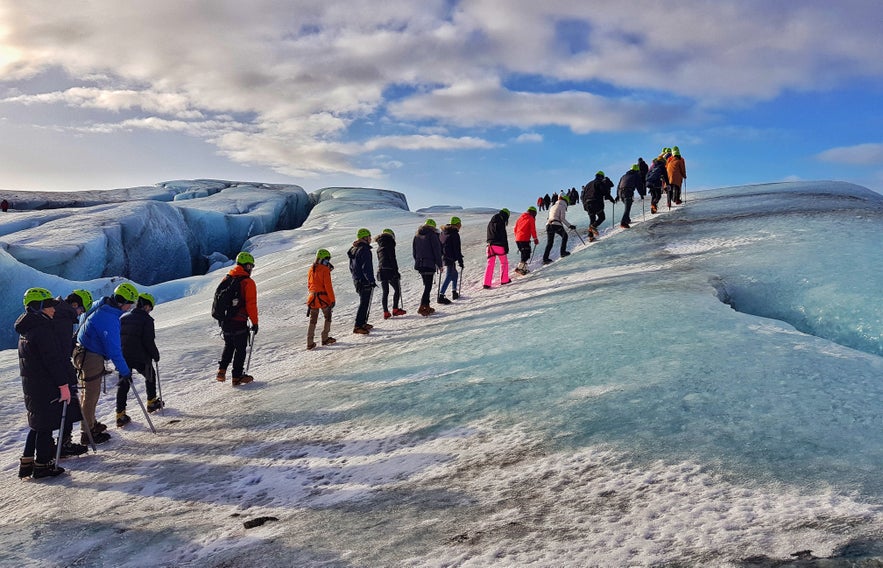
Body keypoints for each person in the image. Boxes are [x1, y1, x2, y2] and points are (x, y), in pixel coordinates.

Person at [74, 282, 137, 444]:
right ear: (122, 302)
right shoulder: (109, 318)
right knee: (90, 395)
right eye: (130, 303)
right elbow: (114, 350)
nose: (130, 307)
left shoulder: (102, 305)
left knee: (87, 394)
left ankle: (90, 424)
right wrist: (125, 371)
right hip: (90, 356)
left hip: (83, 352)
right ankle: (88, 433)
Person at [16, 288, 69, 479]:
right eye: (49, 306)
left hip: (33, 387)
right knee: (45, 425)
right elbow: (52, 360)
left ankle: (27, 462)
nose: (53, 310)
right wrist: (63, 385)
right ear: (38, 307)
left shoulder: (27, 328)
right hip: (44, 386)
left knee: (37, 424)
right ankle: (43, 465)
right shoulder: (42, 329)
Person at [49, 290, 92, 457]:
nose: (80, 313)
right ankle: (63, 444)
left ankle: (51, 447)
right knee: (67, 404)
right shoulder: (64, 318)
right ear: (75, 305)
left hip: (50, 369)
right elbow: (62, 351)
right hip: (59, 369)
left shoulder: (57, 312)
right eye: (81, 309)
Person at [116, 292, 162, 427]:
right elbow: (148, 341)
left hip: (123, 356)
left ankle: (120, 414)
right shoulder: (147, 320)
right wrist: (155, 354)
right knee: (150, 376)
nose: (150, 310)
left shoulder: (123, 318)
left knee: (123, 384)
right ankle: (152, 402)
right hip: (140, 356)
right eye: (150, 308)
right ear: (146, 306)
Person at [214, 252, 258, 386]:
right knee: (240, 348)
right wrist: (255, 322)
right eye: (250, 266)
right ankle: (237, 376)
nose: (251, 269)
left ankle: (221, 371)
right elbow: (251, 304)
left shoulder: (227, 279)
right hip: (239, 320)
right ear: (246, 266)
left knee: (229, 345)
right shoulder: (247, 282)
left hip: (225, 320)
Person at [306, 248, 336, 349]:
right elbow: (328, 286)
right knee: (328, 317)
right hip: (322, 298)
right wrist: (332, 300)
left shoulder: (311, 269)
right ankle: (325, 338)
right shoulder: (325, 269)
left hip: (312, 297)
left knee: (313, 320)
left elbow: (309, 285)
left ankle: (310, 342)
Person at [412, 219, 443, 316]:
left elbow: (414, 252)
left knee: (427, 285)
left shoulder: (416, 236)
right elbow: (436, 251)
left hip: (420, 264)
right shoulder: (432, 235)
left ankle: (427, 306)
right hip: (429, 263)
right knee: (428, 286)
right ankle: (422, 306)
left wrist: (418, 261)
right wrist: (440, 264)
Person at [348, 228, 376, 334]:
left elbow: (351, 267)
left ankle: (362, 322)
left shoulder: (354, 249)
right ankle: (358, 325)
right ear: (365, 237)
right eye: (369, 236)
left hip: (357, 279)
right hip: (364, 281)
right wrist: (371, 280)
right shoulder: (364, 250)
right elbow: (366, 267)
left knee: (364, 302)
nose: (370, 238)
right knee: (364, 303)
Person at [375, 229, 406, 319]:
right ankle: (395, 309)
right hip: (389, 270)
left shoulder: (379, 247)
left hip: (381, 271)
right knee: (397, 289)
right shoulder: (390, 244)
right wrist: (396, 272)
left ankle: (385, 312)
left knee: (385, 292)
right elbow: (392, 259)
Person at [581, 171, 615, 242]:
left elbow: (582, 196)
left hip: (587, 204)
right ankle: (593, 227)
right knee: (602, 217)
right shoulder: (599, 182)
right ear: (601, 177)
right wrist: (611, 199)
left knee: (592, 220)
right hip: (595, 202)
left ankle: (590, 237)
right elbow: (604, 192)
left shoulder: (588, 184)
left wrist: (585, 205)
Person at [543, 195, 576, 264]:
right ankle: (563, 252)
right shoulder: (562, 206)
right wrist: (570, 226)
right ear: (566, 201)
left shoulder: (553, 206)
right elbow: (562, 218)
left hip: (548, 225)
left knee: (550, 243)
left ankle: (545, 259)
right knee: (565, 236)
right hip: (556, 224)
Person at [438, 217, 464, 304]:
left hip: (445, 257)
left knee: (455, 274)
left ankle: (454, 292)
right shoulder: (454, 234)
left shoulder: (444, 233)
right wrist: (460, 261)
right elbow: (457, 249)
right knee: (449, 275)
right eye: (460, 224)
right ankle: (441, 295)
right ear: (457, 224)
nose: (460, 226)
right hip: (450, 258)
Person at [484, 208, 511, 288]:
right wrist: (506, 247)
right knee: (504, 263)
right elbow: (503, 236)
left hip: (489, 246)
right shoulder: (501, 222)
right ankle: (504, 280)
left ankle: (486, 283)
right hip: (499, 246)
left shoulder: (491, 222)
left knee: (490, 264)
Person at [617, 164, 645, 229]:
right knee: (627, 208)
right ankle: (623, 222)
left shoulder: (624, 176)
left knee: (628, 205)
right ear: (637, 170)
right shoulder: (636, 175)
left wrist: (617, 195)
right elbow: (639, 185)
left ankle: (627, 219)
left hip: (621, 193)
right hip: (628, 191)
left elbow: (618, 186)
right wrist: (641, 194)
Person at [513, 206, 539, 275]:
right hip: (524, 239)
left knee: (524, 253)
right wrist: (535, 239)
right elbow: (532, 229)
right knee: (526, 254)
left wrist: (517, 237)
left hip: (518, 239)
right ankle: (520, 268)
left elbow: (515, 229)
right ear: (533, 212)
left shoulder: (520, 218)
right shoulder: (531, 218)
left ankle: (523, 268)